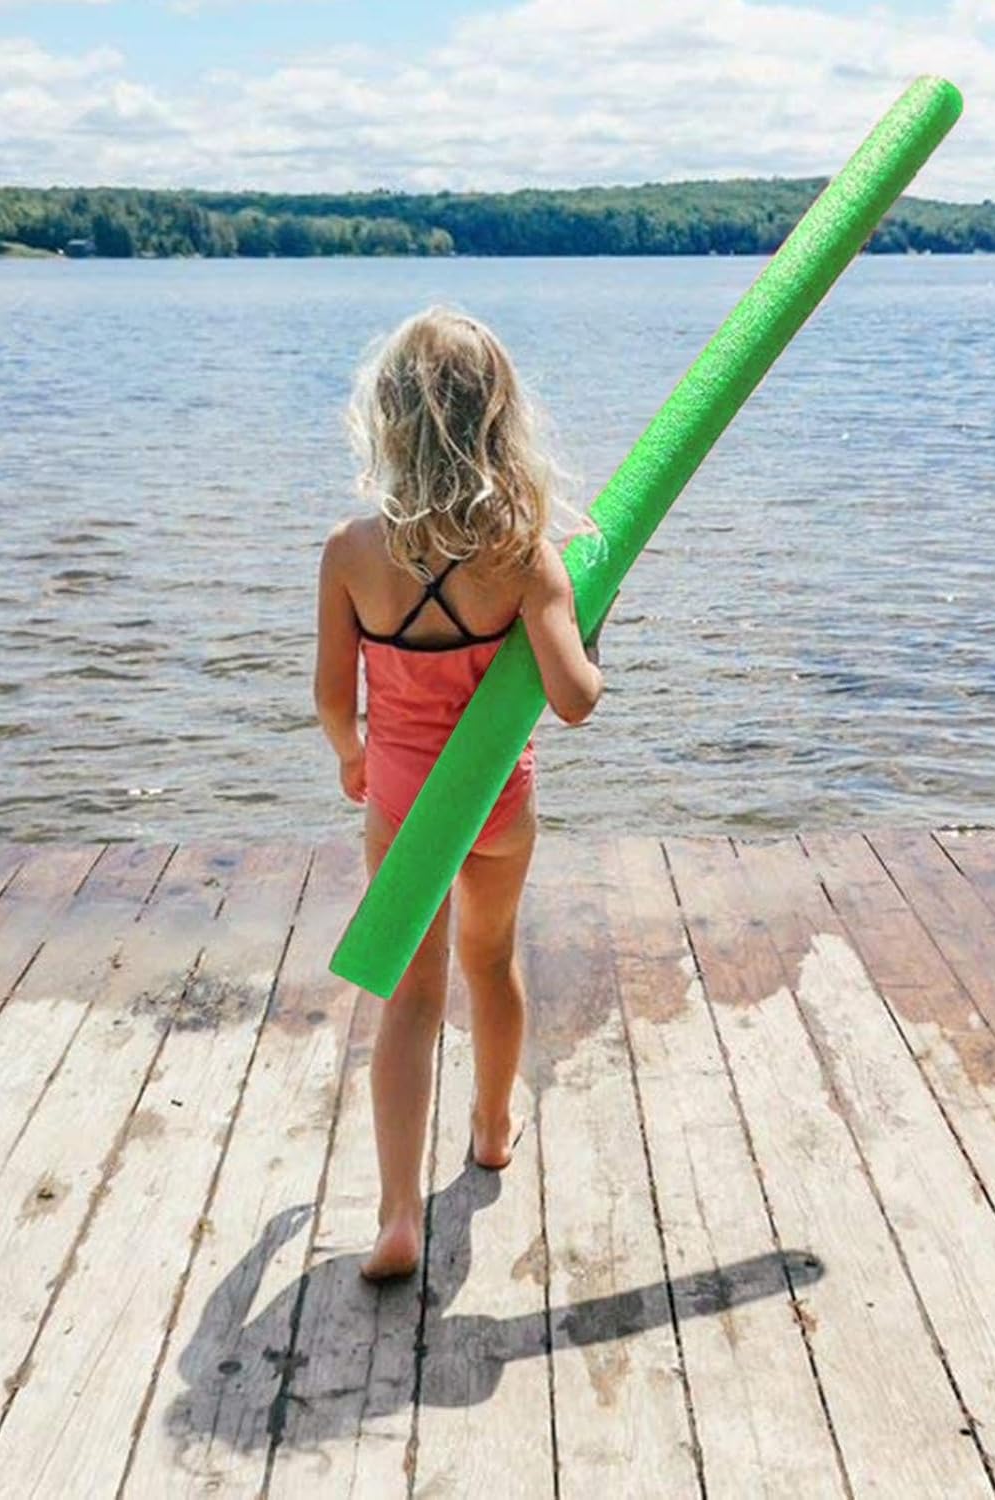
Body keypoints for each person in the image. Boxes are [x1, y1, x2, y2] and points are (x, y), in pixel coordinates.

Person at [315, 306, 605, 1280]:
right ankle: (490, 1127)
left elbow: (331, 699)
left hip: (401, 799)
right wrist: (588, 626)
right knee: (491, 959)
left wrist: (352, 756)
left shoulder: (351, 552)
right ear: (499, 420)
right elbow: (574, 700)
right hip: (496, 804)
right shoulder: (523, 555)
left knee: (409, 996)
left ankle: (398, 1213)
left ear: (390, 420)